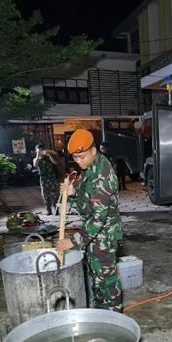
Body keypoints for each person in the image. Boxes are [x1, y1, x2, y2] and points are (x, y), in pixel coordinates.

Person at [57, 129, 124, 311]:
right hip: (93, 238)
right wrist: (73, 193)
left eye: (82, 156)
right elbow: (88, 198)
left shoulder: (101, 176)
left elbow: (97, 219)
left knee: (107, 283)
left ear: (93, 150)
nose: (79, 162)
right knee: (97, 279)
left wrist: (72, 241)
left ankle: (114, 320)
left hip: (103, 238)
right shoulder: (91, 167)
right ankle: (100, 314)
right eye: (75, 158)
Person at [33, 145, 63, 215]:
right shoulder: (37, 159)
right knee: (45, 195)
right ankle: (48, 210)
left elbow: (55, 163)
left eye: (41, 150)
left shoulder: (49, 157)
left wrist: (49, 155)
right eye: (38, 150)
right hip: (43, 178)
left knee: (55, 194)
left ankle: (56, 210)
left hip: (52, 177)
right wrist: (38, 155)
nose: (40, 151)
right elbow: (35, 164)